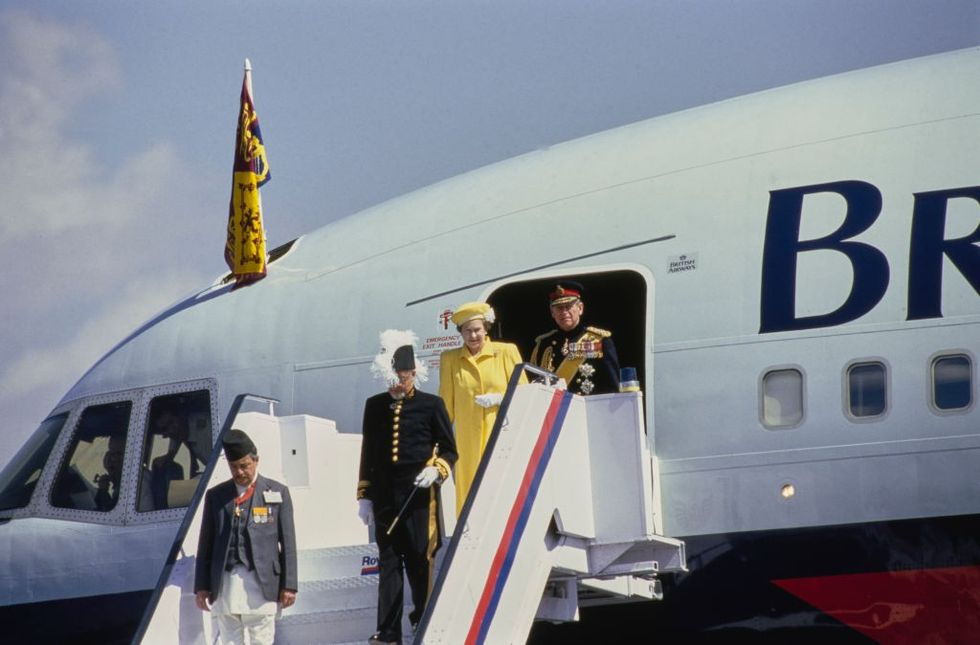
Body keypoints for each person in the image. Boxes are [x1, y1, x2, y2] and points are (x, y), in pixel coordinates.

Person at [358, 334, 456, 645]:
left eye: (402, 377)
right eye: (393, 378)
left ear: (413, 373)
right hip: (386, 496)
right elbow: (369, 452)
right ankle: (388, 632)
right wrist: (364, 495)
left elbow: (450, 450)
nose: (397, 384)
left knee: (419, 560)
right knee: (388, 564)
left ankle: (424, 621)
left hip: (419, 496)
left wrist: (436, 469)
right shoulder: (374, 406)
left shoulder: (431, 405)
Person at [194, 429, 297, 645]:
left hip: (262, 582)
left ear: (256, 461)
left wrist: (289, 585)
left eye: (244, 465)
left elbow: (288, 543)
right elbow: (206, 543)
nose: (239, 472)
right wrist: (202, 586)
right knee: (230, 640)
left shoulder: (278, 492)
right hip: (226, 582)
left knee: (261, 639)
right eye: (234, 467)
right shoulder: (216, 496)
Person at [438, 302, 527, 516]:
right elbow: (445, 407)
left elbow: (526, 395)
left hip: (501, 437)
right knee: (471, 498)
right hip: (466, 444)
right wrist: (435, 441)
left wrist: (501, 399)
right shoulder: (450, 359)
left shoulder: (506, 352)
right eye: (467, 331)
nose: (473, 335)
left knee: (502, 492)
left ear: (486, 328)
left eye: (477, 329)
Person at [530, 281, 621, 395]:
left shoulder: (599, 340)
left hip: (588, 408)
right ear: (552, 313)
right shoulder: (543, 344)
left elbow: (612, 387)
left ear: (580, 308)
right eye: (558, 308)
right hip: (553, 410)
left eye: (568, 306)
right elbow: (534, 383)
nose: (564, 312)